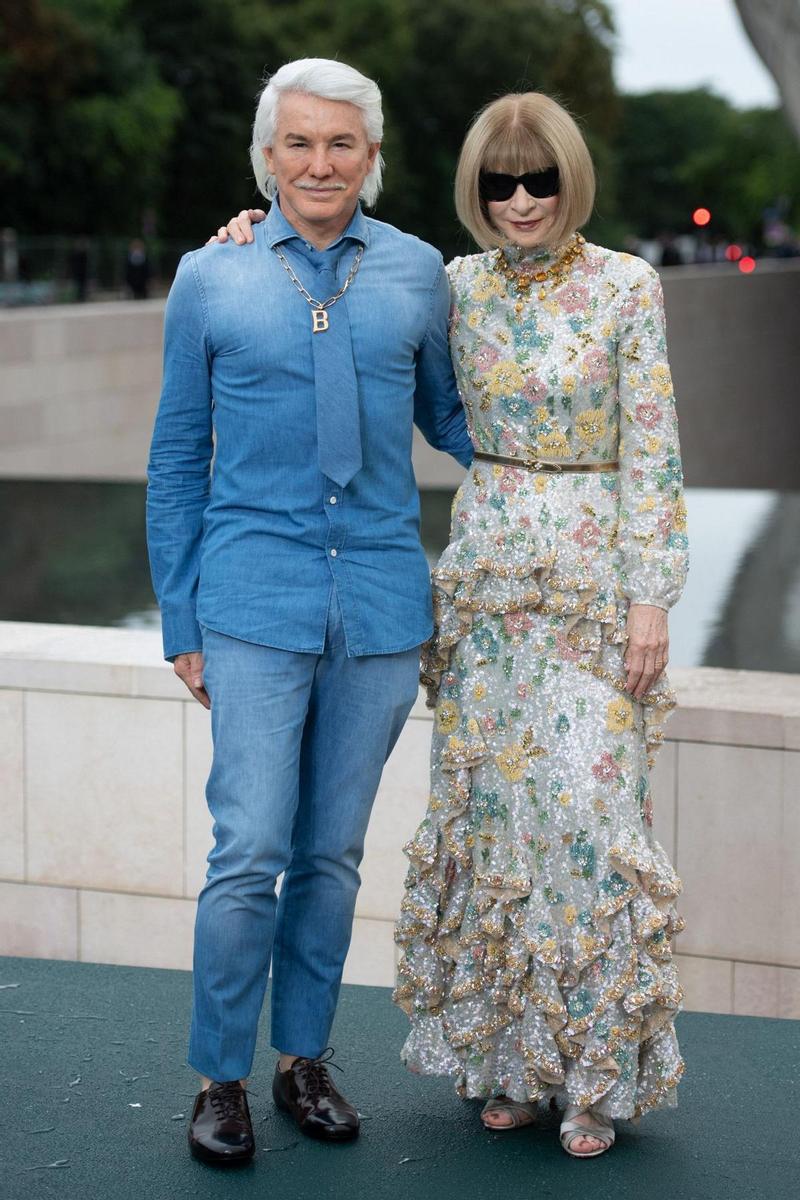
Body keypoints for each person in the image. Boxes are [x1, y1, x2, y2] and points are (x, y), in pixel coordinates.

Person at [218, 91, 689, 1159]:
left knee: (587, 827)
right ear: (473, 193)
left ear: (570, 180)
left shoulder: (625, 284)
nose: (518, 199)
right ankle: (513, 1067)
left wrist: (650, 594)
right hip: (479, 590)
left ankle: (593, 1080)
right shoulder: (450, 285)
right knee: (490, 829)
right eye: (495, 182)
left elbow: (654, 448)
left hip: (589, 588)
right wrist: (243, 234)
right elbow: (345, 290)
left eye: (538, 179)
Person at [147, 57, 473, 1167]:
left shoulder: (421, 274)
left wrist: (568, 464)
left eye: (340, 143)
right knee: (249, 850)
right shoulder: (212, 277)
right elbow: (175, 461)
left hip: (380, 605)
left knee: (331, 854)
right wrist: (179, 622)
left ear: (371, 157)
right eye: (298, 143)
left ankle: (303, 1062)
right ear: (266, 156)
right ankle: (220, 1079)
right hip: (250, 601)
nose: (318, 162)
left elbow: (452, 421)